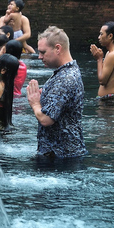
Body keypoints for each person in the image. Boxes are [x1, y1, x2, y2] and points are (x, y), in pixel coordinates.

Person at [26, 26, 87, 158]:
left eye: (43, 52)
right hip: (65, 152)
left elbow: (46, 119)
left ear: (58, 48)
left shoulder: (65, 78)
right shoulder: (68, 71)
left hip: (60, 156)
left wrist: (35, 103)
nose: (39, 57)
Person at [90, 21, 114, 104]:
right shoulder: (111, 52)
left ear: (110, 36)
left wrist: (99, 59)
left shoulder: (113, 55)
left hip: (110, 101)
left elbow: (102, 81)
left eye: (101, 34)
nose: (99, 37)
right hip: (108, 99)